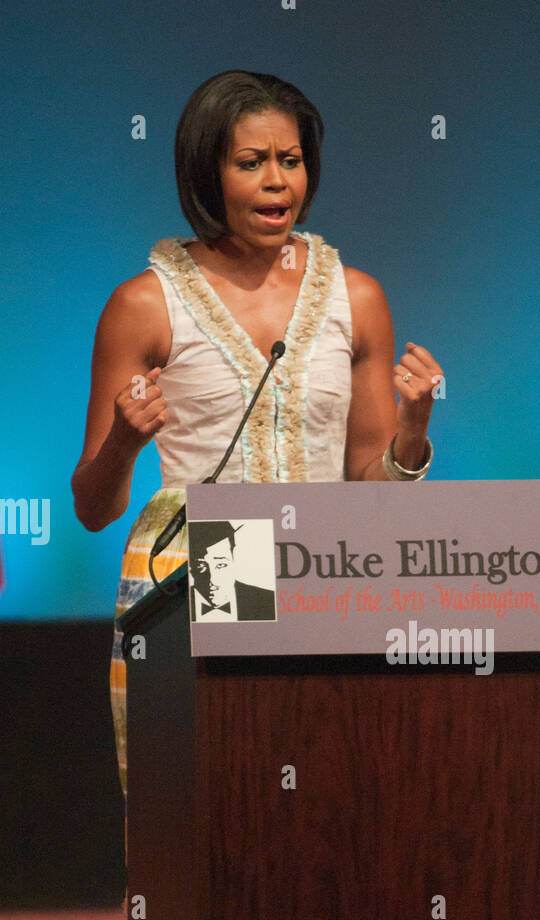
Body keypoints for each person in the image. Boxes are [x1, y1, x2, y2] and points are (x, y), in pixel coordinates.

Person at [72, 70, 443, 793]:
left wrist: (412, 437)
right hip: (205, 556)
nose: (277, 183)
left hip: (327, 561)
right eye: (251, 164)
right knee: (217, 810)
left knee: (330, 807)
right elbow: (92, 508)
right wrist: (123, 441)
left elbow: (374, 487)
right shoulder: (146, 303)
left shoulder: (354, 296)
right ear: (206, 172)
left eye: (290, 161)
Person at [188, 520, 276, 622]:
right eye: (200, 566)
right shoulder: (174, 605)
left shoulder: (269, 602)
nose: (213, 580)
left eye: (221, 565)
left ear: (234, 556)